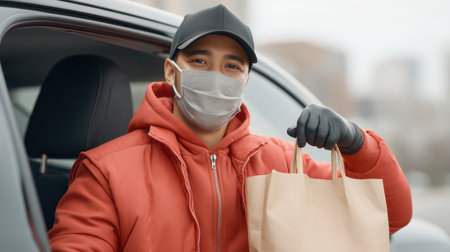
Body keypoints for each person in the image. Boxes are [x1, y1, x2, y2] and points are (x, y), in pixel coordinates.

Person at [48, 4, 412, 252]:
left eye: (232, 67)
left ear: (245, 81)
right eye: (200, 60)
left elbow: (390, 217)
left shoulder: (281, 162)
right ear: (172, 72)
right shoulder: (106, 171)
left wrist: (356, 142)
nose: (215, 76)